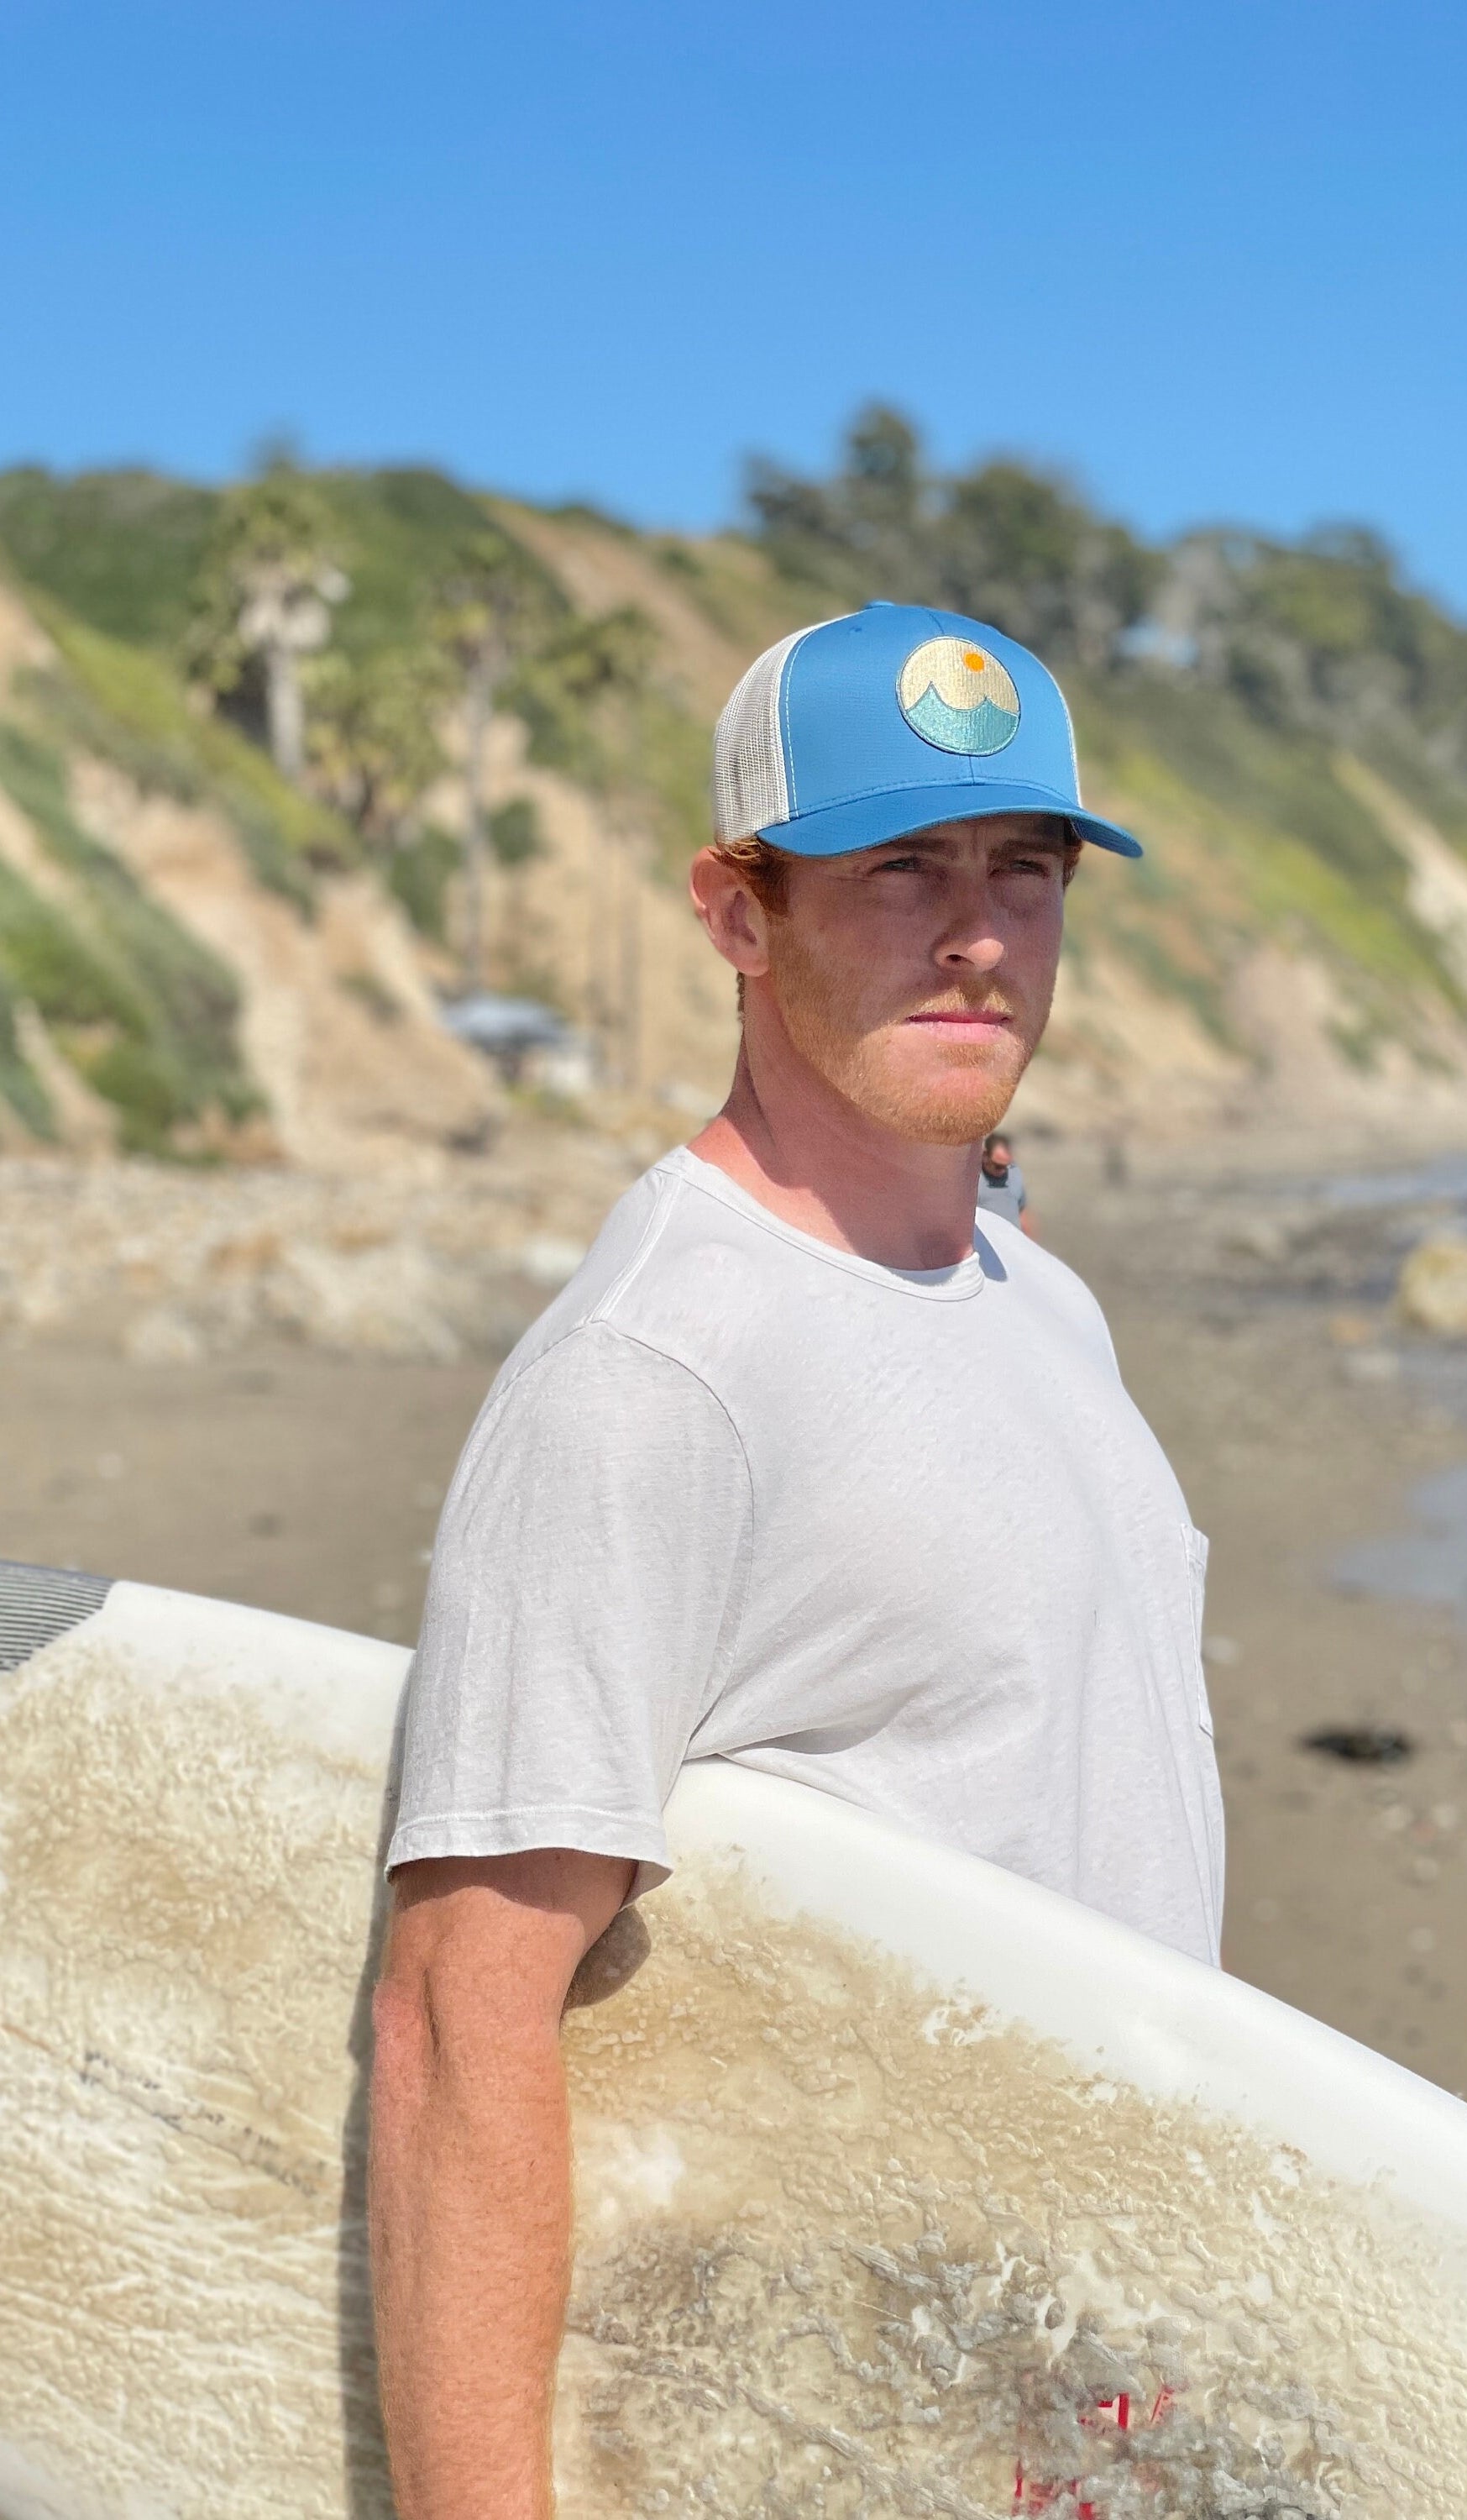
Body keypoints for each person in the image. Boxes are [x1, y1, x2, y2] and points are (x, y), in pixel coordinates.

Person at [369, 602, 1223, 2520]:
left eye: (1026, 866)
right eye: (898, 865)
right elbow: (457, 2012)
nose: (980, 933)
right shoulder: (654, 1370)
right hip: (838, 2435)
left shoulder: (1037, 1292)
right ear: (736, 912)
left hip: (1088, 2406)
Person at [977, 1127, 1035, 1236]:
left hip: (1013, 1243)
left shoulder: (1014, 1172)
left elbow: (1022, 1211)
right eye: (998, 1166)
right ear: (985, 1156)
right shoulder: (972, 1179)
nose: (1003, 1171)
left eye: (1006, 1166)